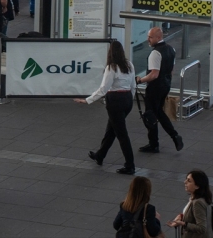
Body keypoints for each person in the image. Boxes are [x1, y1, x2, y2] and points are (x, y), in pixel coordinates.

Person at [75, 39, 136, 175]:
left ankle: (130, 165)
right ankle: (100, 155)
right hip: (126, 100)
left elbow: (103, 89)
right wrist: (129, 101)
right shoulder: (129, 65)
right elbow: (133, 86)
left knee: (121, 134)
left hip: (115, 101)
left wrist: (87, 100)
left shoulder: (111, 68)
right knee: (111, 130)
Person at [136, 27, 183, 154]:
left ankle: (154, 144)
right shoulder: (171, 49)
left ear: (158, 37)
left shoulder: (155, 53)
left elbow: (154, 74)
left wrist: (140, 80)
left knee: (150, 115)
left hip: (155, 87)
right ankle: (174, 136)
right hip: (165, 85)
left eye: (150, 37)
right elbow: (171, 70)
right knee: (158, 112)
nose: (148, 40)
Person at [168, 169, 213, 237]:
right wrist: (182, 216)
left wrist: (183, 223)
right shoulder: (197, 199)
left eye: (189, 181)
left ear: (197, 186)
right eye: (186, 179)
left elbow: (202, 228)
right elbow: (195, 215)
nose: (185, 182)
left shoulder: (198, 203)